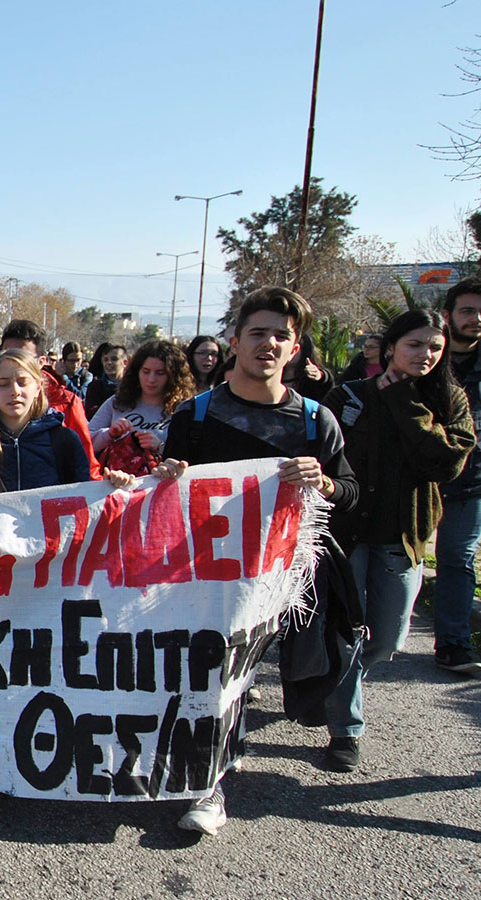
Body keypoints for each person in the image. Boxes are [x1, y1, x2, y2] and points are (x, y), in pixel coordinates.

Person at [153, 286, 359, 837]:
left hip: (283, 578)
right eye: (257, 332)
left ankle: (231, 746)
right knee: (214, 676)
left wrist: (324, 482)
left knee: (243, 679)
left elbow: (349, 492)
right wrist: (167, 476)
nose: (268, 343)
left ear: (295, 348)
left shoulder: (316, 420)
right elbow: (168, 496)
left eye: (280, 336)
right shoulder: (196, 414)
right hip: (208, 576)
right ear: (234, 341)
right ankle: (209, 787)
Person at [0, 347, 128, 809]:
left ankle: (47, 757)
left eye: (22, 382)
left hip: (50, 581)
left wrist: (117, 487)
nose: (14, 391)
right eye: (3, 383)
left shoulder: (64, 441)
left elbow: (87, 500)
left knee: (44, 669)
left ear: (39, 387)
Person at [321, 309, 474, 771]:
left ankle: (337, 685)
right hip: (347, 533)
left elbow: (446, 463)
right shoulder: (349, 396)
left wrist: (406, 402)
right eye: (414, 344)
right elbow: (329, 456)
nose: (425, 354)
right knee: (346, 634)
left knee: (387, 639)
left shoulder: (448, 400)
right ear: (391, 347)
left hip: (402, 536)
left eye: (435, 347)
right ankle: (345, 728)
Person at [0, 320, 100, 480]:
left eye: (22, 356)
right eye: (7, 354)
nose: (13, 362)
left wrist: (106, 488)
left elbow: (87, 466)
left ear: (41, 362)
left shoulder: (67, 403)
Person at [434, 278, 481, 672]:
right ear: (448, 316)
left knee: (457, 557)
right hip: (417, 479)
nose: (476, 319)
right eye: (468, 310)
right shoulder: (426, 355)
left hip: (471, 482)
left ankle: (453, 644)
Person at [88, 340, 195, 476]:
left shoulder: (184, 409)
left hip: (164, 484)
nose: (151, 379)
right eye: (146, 371)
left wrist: (160, 447)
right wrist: (110, 434)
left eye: (160, 373)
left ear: (173, 376)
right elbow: (86, 442)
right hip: (119, 484)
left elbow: (193, 455)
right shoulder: (117, 402)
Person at [284, 332, 335, 401]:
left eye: (296, 348)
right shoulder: (271, 374)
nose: (291, 352)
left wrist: (319, 376)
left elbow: (326, 384)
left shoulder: (309, 380)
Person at [85, 342, 127, 418]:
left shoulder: (133, 386)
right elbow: (90, 413)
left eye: (114, 359)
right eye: (106, 360)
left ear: (125, 363)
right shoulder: (94, 387)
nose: (109, 363)